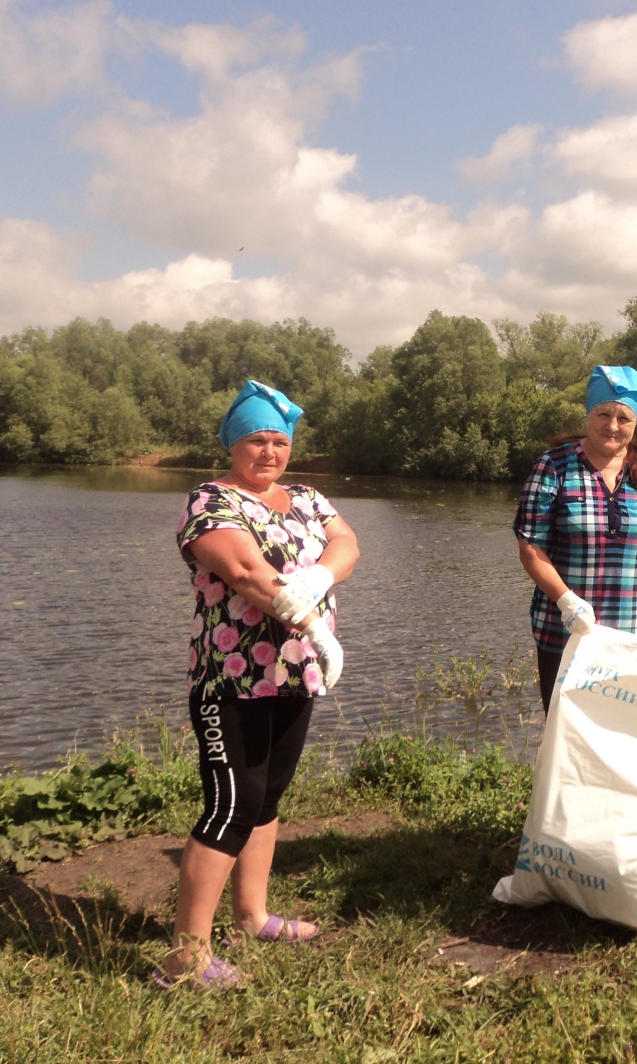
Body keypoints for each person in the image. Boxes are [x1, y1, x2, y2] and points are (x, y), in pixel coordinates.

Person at [155, 379, 360, 990]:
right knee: (231, 808)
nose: (269, 452)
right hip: (232, 679)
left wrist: (319, 578)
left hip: (295, 674)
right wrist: (314, 626)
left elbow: (347, 542)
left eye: (279, 441)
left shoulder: (308, 497)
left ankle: (251, 916)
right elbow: (245, 571)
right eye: (256, 441)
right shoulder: (209, 500)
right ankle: (185, 958)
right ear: (232, 444)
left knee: (267, 799)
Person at [514, 365, 637, 712]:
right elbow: (531, 545)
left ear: (635, 423)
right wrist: (565, 600)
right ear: (589, 412)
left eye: (624, 418)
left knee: (623, 731)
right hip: (565, 634)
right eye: (603, 414)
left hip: (632, 639)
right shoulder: (553, 466)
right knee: (566, 732)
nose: (612, 426)